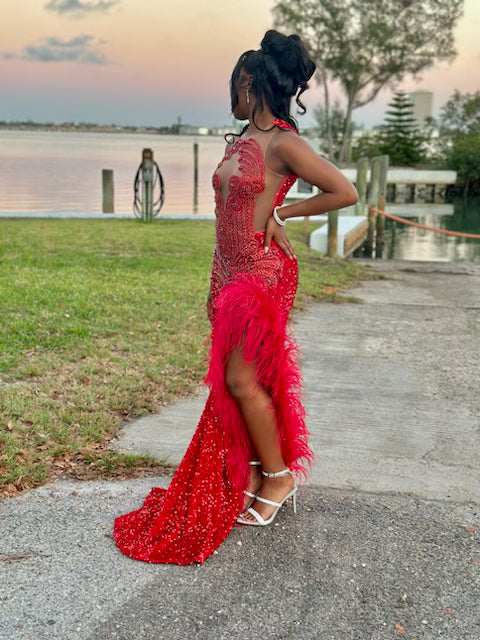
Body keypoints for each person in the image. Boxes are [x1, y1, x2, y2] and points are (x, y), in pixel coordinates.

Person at [113, 30, 358, 564]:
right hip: (229, 272)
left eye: (237, 83)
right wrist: (214, 277)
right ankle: (251, 470)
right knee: (238, 379)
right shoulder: (242, 138)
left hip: (264, 273)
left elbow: (345, 190)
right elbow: (225, 218)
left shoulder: (283, 143)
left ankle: (278, 477)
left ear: (252, 83)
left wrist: (283, 213)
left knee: (241, 378)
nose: (232, 93)